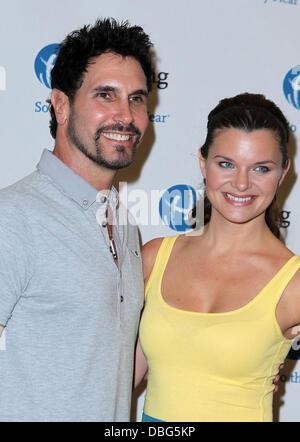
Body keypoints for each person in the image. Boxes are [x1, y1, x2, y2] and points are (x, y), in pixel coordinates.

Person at [0, 18, 153, 422]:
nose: (126, 115)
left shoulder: (123, 222)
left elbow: (109, 373)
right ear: (61, 104)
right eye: (106, 95)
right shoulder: (12, 218)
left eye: (137, 98)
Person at [134, 92, 300, 422]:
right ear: (202, 163)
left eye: (261, 168)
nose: (241, 183)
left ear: (283, 174)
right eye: (226, 164)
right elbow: (123, 379)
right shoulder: (155, 257)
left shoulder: (293, 282)